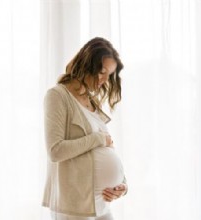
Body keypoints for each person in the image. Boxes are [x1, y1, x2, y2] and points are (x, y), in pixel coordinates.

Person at [42, 37, 128, 220]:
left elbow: (107, 146)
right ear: (86, 63)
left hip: (101, 205)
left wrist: (122, 184)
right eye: (102, 72)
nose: (104, 80)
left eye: (109, 75)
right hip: (73, 207)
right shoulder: (57, 96)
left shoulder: (92, 102)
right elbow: (55, 151)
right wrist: (98, 139)